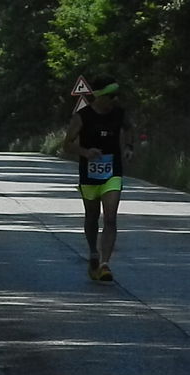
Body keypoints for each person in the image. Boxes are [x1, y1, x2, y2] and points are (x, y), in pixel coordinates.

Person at [63, 75, 134, 282]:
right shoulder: (83, 116)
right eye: (111, 96)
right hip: (89, 173)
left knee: (110, 217)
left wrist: (129, 147)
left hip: (112, 172)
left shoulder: (119, 114)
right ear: (99, 96)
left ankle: (104, 264)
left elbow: (129, 129)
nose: (114, 100)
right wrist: (85, 152)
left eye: (116, 96)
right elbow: (66, 145)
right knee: (92, 216)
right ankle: (93, 251)